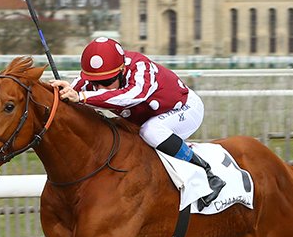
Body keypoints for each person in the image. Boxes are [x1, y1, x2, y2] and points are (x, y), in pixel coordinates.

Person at [50, 37, 224, 208]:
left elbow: (132, 96)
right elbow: (71, 93)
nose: (101, 88)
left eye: (107, 82)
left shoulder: (141, 67)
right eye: (96, 83)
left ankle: (207, 173)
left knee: (151, 131)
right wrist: (59, 93)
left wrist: (82, 96)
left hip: (184, 109)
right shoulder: (97, 76)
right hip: (146, 117)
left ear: (121, 70)